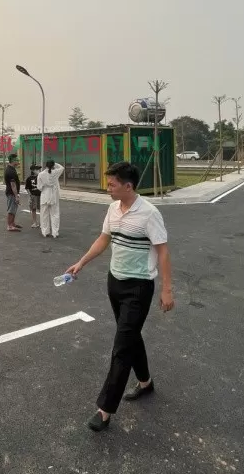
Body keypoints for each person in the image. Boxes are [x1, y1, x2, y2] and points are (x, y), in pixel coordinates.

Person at [66, 161, 175, 432]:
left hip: (139, 286)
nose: (108, 188)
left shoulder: (149, 214)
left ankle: (105, 409)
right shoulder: (113, 209)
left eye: (112, 184)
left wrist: (166, 289)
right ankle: (146, 383)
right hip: (115, 282)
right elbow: (104, 239)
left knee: (122, 346)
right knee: (130, 336)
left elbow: (163, 251)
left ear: (128, 186)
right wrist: (81, 263)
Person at [37, 159, 65, 238]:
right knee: (55, 214)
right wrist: (55, 164)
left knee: (44, 215)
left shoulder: (41, 174)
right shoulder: (55, 172)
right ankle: (55, 232)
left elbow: (39, 187)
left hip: (44, 195)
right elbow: (62, 167)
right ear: (53, 166)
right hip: (54, 195)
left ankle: (45, 232)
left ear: (45, 165)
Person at [4, 154, 22, 232]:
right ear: (13, 161)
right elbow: (13, 185)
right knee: (11, 209)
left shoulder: (12, 169)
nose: (18, 161)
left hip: (13, 193)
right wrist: (16, 196)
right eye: (17, 160)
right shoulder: (10, 171)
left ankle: (12, 223)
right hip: (11, 193)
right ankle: (9, 226)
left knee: (14, 208)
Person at [24, 163, 41, 229]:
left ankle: (42, 223)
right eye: (37, 169)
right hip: (33, 195)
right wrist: (30, 195)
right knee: (33, 209)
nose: (38, 170)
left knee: (41, 209)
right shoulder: (29, 178)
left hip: (40, 195)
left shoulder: (40, 176)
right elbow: (27, 188)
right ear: (33, 170)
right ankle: (34, 222)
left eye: (39, 169)